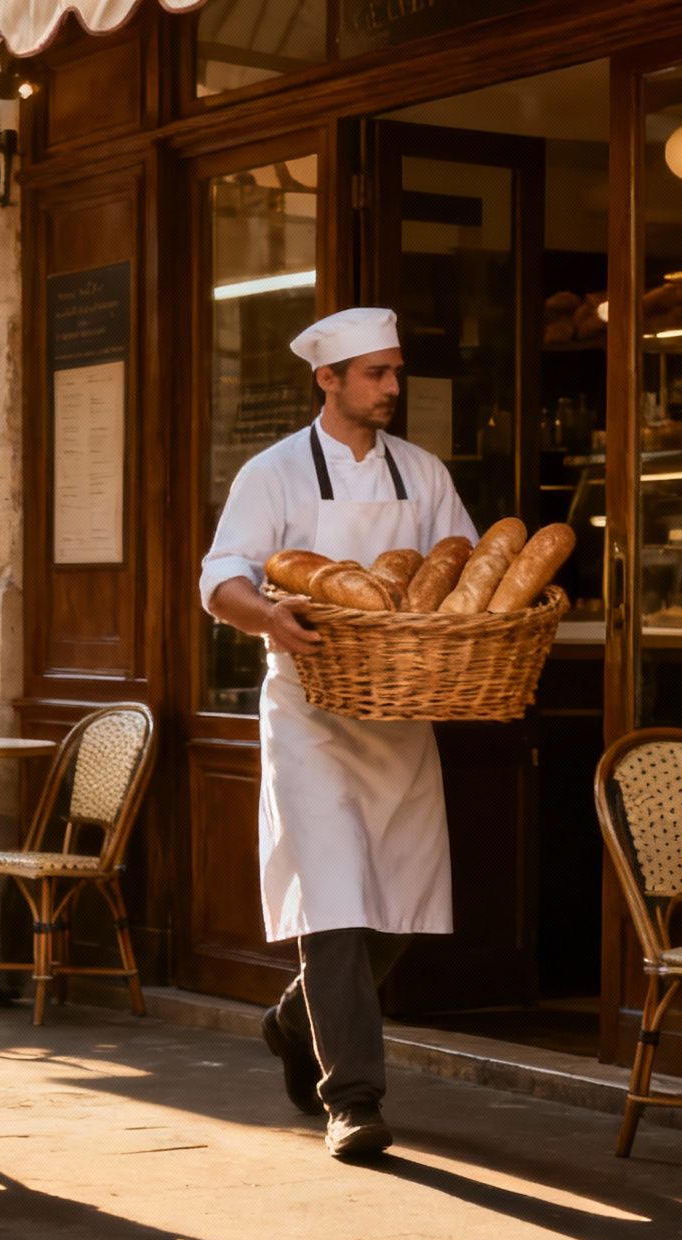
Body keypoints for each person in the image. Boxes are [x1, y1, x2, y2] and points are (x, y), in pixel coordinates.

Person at [199, 307, 477, 1162]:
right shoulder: (273, 472)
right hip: (312, 715)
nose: (393, 388)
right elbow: (220, 580)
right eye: (376, 375)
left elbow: (459, 554)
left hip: (399, 713)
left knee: (399, 899)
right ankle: (352, 1099)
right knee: (332, 901)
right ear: (329, 380)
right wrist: (271, 617)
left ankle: (292, 1021)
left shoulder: (424, 472)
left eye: (396, 373)